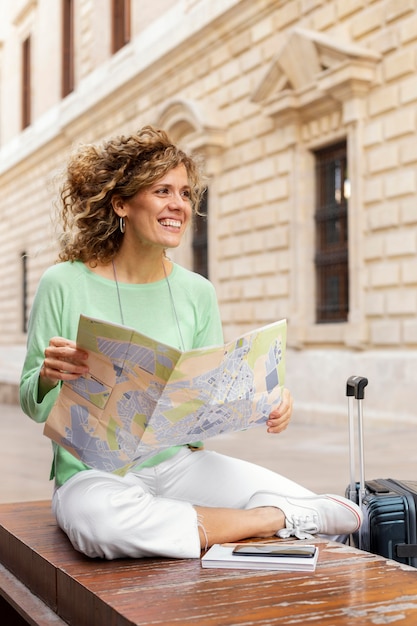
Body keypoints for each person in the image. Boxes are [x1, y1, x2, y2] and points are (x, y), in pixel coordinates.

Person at [20, 125, 362, 560]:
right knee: (99, 527)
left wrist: (266, 401)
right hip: (95, 475)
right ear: (121, 202)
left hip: (180, 464)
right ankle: (267, 520)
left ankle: (199, 520)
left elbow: (209, 408)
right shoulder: (64, 283)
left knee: (345, 515)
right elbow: (33, 404)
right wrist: (49, 378)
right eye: (163, 190)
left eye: (185, 193)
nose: (178, 205)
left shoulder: (198, 291)